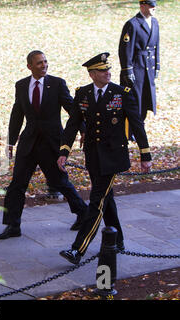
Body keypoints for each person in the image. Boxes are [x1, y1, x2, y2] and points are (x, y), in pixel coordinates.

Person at [57, 53, 152, 264]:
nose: (108, 72)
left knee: (97, 201)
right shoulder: (83, 94)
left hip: (113, 157)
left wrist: (145, 154)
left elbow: (137, 124)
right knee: (107, 199)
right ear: (92, 74)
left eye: (108, 69)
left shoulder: (122, 93)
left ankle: (78, 249)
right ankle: (117, 241)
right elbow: (73, 125)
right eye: (102, 70)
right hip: (93, 155)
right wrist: (64, 151)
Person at [0, 50, 87, 240]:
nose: (44, 65)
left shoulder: (57, 84)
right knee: (17, 184)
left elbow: (72, 108)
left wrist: (83, 129)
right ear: (29, 66)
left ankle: (83, 214)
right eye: (39, 63)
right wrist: (11, 141)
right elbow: (17, 114)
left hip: (52, 143)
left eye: (45, 62)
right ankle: (13, 225)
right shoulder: (21, 85)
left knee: (59, 182)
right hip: (28, 144)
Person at [119, 0, 160, 139]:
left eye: (154, 5)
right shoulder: (133, 24)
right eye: (150, 5)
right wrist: (127, 70)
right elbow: (125, 50)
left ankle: (139, 128)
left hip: (149, 67)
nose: (154, 8)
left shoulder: (154, 22)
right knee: (135, 101)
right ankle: (129, 131)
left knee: (146, 100)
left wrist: (157, 65)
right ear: (142, 6)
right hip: (137, 67)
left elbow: (156, 47)